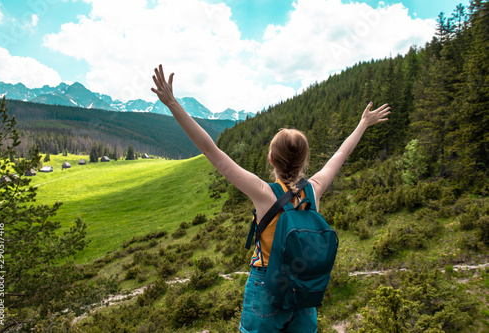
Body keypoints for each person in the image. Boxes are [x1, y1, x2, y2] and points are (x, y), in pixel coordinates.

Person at [151, 64, 391, 333]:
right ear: (304, 161)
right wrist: (362, 124)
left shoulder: (264, 193)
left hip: (267, 285)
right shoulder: (314, 188)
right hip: (303, 289)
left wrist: (172, 103)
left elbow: (210, 149)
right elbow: (340, 155)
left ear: (271, 159)